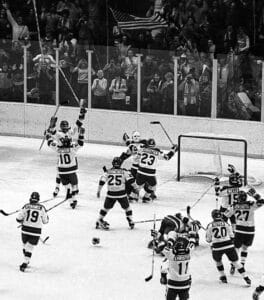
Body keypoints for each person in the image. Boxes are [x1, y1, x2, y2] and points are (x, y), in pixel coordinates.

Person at [47, 101, 87, 197]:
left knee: (61, 171)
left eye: (66, 127)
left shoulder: (69, 132)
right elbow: (52, 131)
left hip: (61, 151)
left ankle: (71, 187)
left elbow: (78, 124)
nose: (66, 129)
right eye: (64, 127)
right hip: (65, 152)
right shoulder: (59, 133)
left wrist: (82, 114)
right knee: (61, 172)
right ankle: (58, 187)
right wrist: (51, 126)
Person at [206, 209, 251, 285]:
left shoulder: (210, 225)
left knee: (218, 261)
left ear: (212, 216)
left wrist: (212, 237)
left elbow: (208, 240)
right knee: (235, 262)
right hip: (228, 245)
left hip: (217, 247)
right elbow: (232, 236)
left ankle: (223, 276)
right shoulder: (226, 223)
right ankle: (246, 277)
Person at [46, 123, 85, 209]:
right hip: (71, 169)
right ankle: (72, 197)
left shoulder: (58, 148)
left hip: (62, 170)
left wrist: (47, 134)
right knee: (74, 186)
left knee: (67, 187)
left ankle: (72, 201)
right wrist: (81, 135)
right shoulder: (73, 148)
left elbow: (49, 143)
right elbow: (81, 143)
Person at [225, 188, 264, 272]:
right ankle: (242, 264)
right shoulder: (251, 204)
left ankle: (233, 264)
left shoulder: (234, 206)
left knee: (236, 247)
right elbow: (262, 201)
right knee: (245, 248)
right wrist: (254, 195)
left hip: (239, 229)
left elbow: (225, 215)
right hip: (250, 230)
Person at [96, 157, 137, 230]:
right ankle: (130, 220)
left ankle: (99, 219)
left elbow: (102, 181)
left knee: (106, 208)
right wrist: (136, 188)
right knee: (127, 208)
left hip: (111, 194)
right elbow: (131, 181)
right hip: (122, 194)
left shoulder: (107, 172)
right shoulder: (124, 171)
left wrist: (99, 191)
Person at [136, 138, 178, 203]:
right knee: (153, 186)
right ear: (154, 145)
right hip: (150, 173)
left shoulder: (141, 149)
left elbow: (137, 157)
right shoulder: (157, 151)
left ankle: (132, 197)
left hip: (140, 171)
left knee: (138, 186)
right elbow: (167, 157)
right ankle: (146, 197)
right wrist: (173, 150)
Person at [16, 192, 49, 272]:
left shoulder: (26, 206)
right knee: (30, 247)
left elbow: (18, 219)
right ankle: (25, 262)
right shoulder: (42, 208)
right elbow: (45, 221)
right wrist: (46, 216)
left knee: (25, 246)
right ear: (38, 199)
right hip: (36, 231)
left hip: (25, 230)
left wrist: (22, 221)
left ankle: (26, 260)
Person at [160, 234, 196, 300]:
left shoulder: (170, 254)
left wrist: (157, 237)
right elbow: (193, 244)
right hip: (185, 283)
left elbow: (161, 247)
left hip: (173, 283)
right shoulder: (189, 253)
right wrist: (192, 235)